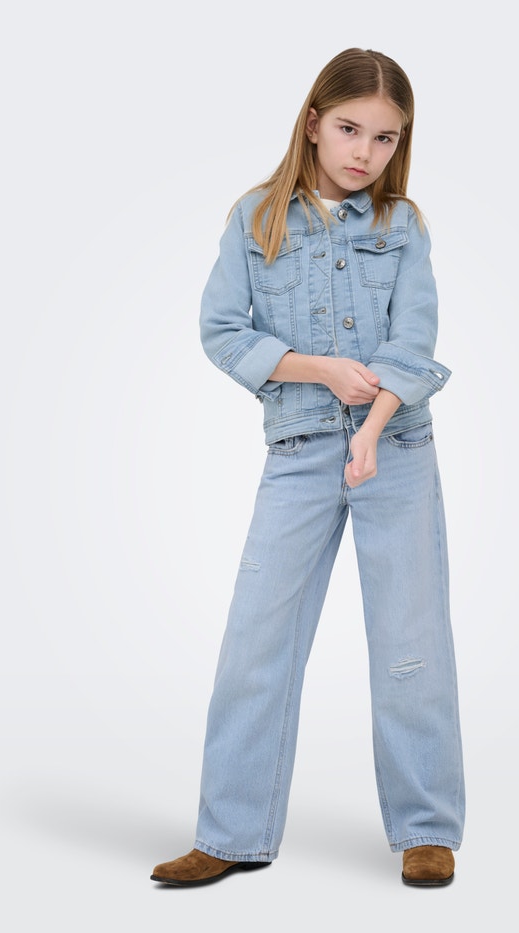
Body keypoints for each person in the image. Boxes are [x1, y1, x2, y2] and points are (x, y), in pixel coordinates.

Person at [151, 47, 465, 889]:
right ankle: (231, 833)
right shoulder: (255, 218)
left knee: (410, 643)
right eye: (351, 129)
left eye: (386, 138)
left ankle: (427, 828)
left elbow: (414, 340)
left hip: (394, 449)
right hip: (297, 451)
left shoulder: (402, 227)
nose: (365, 152)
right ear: (315, 122)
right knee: (256, 639)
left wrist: (374, 425)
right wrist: (319, 369)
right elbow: (224, 332)